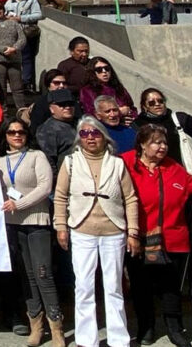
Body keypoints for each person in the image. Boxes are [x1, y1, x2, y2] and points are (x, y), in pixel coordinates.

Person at [53, 116, 140, 347]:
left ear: (104, 136)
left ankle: (118, 339)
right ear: (79, 139)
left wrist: (133, 231)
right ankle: (86, 340)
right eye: (84, 134)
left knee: (113, 286)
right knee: (83, 286)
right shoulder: (70, 162)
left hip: (113, 232)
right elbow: (60, 196)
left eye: (95, 133)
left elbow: (130, 198)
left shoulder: (117, 163)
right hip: (82, 231)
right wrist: (61, 226)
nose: (90, 137)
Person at [0, 119, 65, 347]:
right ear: (5, 135)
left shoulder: (37, 156)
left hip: (36, 222)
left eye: (21, 132)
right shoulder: (0, 161)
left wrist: (20, 204)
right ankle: (36, 324)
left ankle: (57, 328)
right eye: (12, 132)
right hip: (13, 224)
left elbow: (45, 187)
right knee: (27, 276)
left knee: (43, 273)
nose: (16, 135)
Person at [121, 125, 192, 347]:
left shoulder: (174, 167)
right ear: (142, 144)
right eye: (156, 142)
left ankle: (174, 328)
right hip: (138, 238)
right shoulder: (125, 163)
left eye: (164, 142)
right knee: (142, 286)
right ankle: (146, 326)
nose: (162, 147)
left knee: (171, 288)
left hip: (173, 239)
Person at [133, 88, 192, 170]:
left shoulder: (178, 119)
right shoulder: (137, 125)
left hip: (180, 170)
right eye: (152, 103)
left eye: (160, 101)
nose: (157, 104)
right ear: (144, 106)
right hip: (153, 172)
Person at [5, 0, 44, 94]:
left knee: (27, 58)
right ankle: (16, 83)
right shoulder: (9, 2)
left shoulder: (32, 0)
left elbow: (38, 15)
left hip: (26, 32)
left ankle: (27, 83)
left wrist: (21, 18)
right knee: (15, 59)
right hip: (13, 34)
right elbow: (4, 14)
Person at [0, 0, 26, 108]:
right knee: (1, 89)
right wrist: (3, 49)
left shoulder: (13, 23)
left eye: (0, 7)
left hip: (15, 58)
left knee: (18, 88)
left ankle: (22, 112)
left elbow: (22, 39)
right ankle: (3, 114)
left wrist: (14, 48)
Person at [79, 56, 138, 122]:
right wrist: (119, 113)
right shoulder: (87, 91)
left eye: (107, 68)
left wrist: (130, 116)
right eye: (99, 70)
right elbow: (90, 114)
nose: (104, 72)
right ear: (93, 72)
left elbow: (132, 108)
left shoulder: (118, 87)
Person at [35, 89, 78, 175]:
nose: (68, 107)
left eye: (70, 104)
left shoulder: (82, 123)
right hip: (65, 178)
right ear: (51, 108)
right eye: (62, 104)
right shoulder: (47, 130)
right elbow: (48, 162)